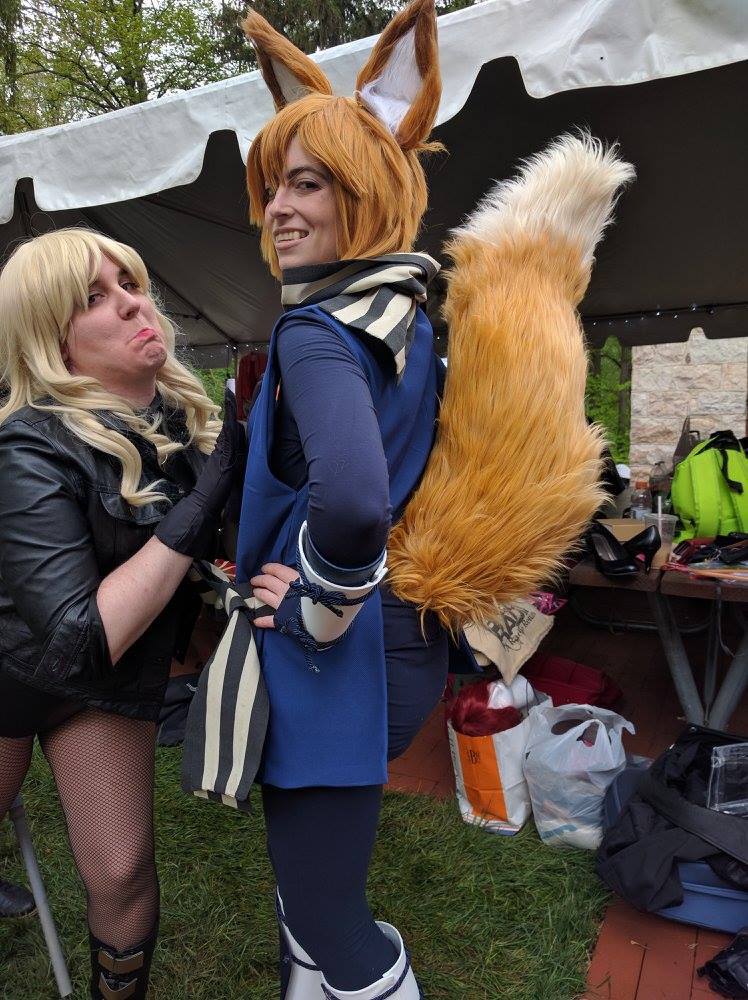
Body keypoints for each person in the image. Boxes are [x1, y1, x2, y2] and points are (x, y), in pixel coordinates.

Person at [225, 2, 449, 997]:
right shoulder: (407, 318)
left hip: (336, 651)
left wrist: (317, 602)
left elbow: (355, 502)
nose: (279, 207)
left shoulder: (317, 331)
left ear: (369, 188)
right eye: (274, 184)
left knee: (331, 918)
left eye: (308, 182)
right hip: (397, 641)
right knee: (310, 894)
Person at [0, 228, 244, 999]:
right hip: (11, 669)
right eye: (95, 298)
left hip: (103, 676)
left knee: (123, 871)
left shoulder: (180, 420)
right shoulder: (25, 444)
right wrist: (202, 503)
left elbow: (225, 550)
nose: (133, 303)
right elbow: (77, 633)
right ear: (55, 340)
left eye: (130, 283)